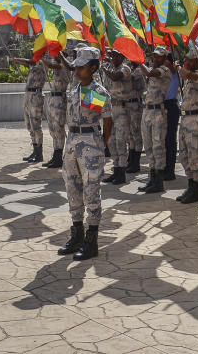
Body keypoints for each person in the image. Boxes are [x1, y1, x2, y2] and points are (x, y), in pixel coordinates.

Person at [57, 47, 113, 260]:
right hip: (72, 142)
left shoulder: (97, 92)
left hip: (90, 143)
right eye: (77, 66)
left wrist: (101, 144)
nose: (77, 69)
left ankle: (92, 239)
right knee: (72, 189)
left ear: (93, 67)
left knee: (91, 192)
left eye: (82, 66)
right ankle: (77, 233)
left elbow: (107, 120)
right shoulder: (75, 88)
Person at [175, 50, 198, 204]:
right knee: (184, 155)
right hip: (185, 119)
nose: (187, 63)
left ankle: (194, 189)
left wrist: (177, 67)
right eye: (186, 60)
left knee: (195, 156)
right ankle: (190, 185)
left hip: (196, 120)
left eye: (190, 60)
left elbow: (190, 75)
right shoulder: (190, 76)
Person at [139, 46, 172, 193]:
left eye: (158, 56)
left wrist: (138, 60)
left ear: (164, 58)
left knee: (158, 146)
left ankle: (159, 181)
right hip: (147, 110)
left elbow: (149, 72)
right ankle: (152, 179)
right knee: (148, 146)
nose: (155, 59)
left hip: (158, 112)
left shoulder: (164, 70)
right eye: (154, 56)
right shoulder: (154, 70)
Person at [100, 50, 134, 185]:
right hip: (111, 108)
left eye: (115, 55)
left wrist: (103, 68)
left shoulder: (125, 68)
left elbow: (115, 77)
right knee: (111, 141)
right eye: (112, 55)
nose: (112, 58)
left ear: (122, 57)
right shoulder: (110, 69)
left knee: (120, 141)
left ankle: (122, 173)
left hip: (122, 109)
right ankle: (115, 170)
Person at [40, 51, 74, 169]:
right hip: (53, 98)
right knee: (53, 128)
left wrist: (40, 57)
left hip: (60, 98)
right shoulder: (56, 66)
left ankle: (58, 156)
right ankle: (56, 155)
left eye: (58, 55)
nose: (55, 56)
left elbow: (50, 65)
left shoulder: (63, 66)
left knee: (58, 128)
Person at [14, 56, 48, 163]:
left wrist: (18, 60)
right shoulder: (33, 65)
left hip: (35, 95)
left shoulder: (42, 61)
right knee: (29, 125)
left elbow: (31, 62)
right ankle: (34, 149)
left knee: (36, 125)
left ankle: (39, 153)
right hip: (28, 95)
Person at [163, 53, 181, 181]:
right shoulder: (161, 74)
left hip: (171, 106)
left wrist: (171, 64)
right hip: (161, 106)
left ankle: (170, 170)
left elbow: (174, 69)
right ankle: (164, 167)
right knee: (162, 140)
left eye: (165, 61)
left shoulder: (173, 72)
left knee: (170, 139)